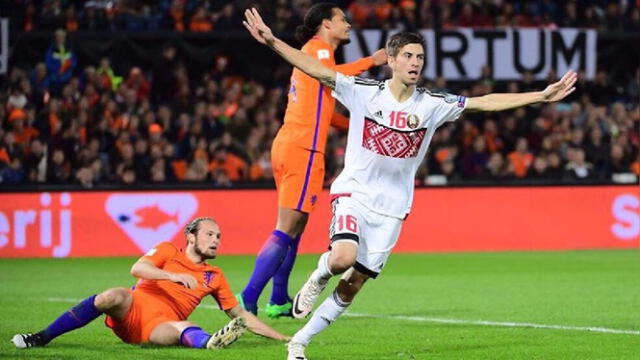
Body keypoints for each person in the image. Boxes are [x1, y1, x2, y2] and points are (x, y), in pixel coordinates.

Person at [242, 8, 577, 360]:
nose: (415, 62)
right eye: (408, 56)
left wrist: (540, 95)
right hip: (354, 193)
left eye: (420, 57)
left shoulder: (433, 104)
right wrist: (272, 41)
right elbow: (316, 70)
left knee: (354, 284)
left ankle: (300, 342)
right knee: (342, 258)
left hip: (392, 208)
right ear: (391, 60)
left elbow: (485, 103)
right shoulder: (363, 92)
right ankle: (318, 276)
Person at [237, 2, 388, 319]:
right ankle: (247, 300)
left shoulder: (316, 53)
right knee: (285, 228)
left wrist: (360, 126)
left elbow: (326, 111)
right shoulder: (318, 49)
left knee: (296, 228)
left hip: (291, 144)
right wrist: (371, 62)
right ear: (325, 24)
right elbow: (332, 76)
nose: (348, 24)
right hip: (303, 149)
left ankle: (278, 299)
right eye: (342, 19)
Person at [12, 217, 289, 350]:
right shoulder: (168, 251)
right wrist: (172, 276)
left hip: (159, 326)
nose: (216, 240)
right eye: (209, 234)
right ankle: (42, 337)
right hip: (134, 309)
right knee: (113, 295)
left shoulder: (214, 276)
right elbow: (138, 268)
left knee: (184, 328)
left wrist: (283, 338)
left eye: (218, 236)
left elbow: (240, 316)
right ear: (191, 237)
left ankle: (209, 343)